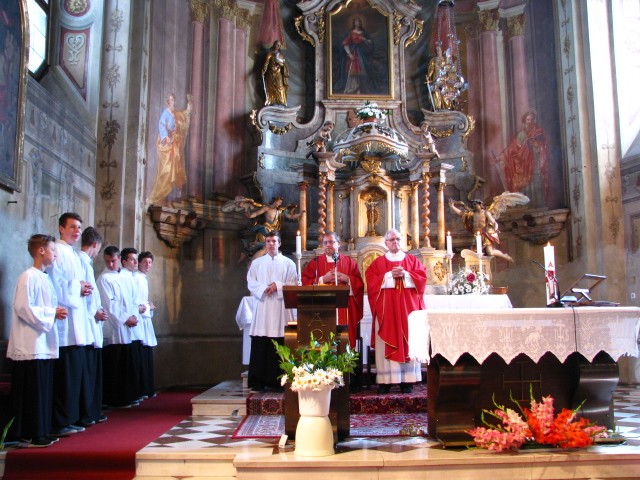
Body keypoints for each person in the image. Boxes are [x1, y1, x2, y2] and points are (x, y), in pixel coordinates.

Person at [7, 234, 68, 447]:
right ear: (41, 250)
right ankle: (29, 433)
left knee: (42, 390)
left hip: (42, 342)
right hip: (30, 344)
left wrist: (54, 312)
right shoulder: (28, 276)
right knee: (32, 391)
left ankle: (41, 430)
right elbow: (23, 307)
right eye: (53, 250)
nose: (56, 254)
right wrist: (52, 313)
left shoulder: (45, 277)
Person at [47, 212, 94, 437]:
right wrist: (78, 287)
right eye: (72, 227)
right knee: (65, 376)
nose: (77, 231)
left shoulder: (73, 254)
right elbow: (56, 284)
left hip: (76, 322)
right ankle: (61, 420)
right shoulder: (58, 251)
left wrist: (82, 288)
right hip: (65, 324)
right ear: (61, 228)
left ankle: (70, 417)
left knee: (73, 375)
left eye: (79, 228)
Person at [365, 228, 427, 394]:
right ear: (386, 243)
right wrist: (388, 276)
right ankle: (386, 380)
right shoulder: (378, 263)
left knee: (409, 340)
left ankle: (407, 380)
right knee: (386, 340)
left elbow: (422, 279)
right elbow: (371, 282)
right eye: (392, 240)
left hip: (408, 310)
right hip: (387, 311)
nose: (395, 242)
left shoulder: (412, 261)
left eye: (398, 239)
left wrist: (406, 274)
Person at [246, 231, 297, 391]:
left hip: (280, 307)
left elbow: (294, 283)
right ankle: (258, 381)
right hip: (263, 307)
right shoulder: (257, 263)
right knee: (261, 344)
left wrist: (277, 286)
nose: (271, 244)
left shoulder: (289, 263)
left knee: (281, 342)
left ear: (279, 243)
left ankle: (281, 381)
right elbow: (251, 282)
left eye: (274, 241)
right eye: (268, 241)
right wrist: (264, 288)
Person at [301, 232, 364, 349]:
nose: (328, 245)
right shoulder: (315, 263)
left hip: (345, 309)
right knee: (323, 341)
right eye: (325, 243)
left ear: (338, 244)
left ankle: (345, 357)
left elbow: (360, 284)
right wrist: (322, 279)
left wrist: (347, 279)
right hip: (322, 309)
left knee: (344, 341)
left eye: (331, 242)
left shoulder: (349, 262)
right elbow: (305, 282)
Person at [97, 246, 141, 408]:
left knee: (126, 363)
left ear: (119, 259)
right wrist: (125, 318)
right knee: (115, 363)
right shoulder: (104, 279)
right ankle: (114, 399)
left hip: (128, 324)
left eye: (113, 261)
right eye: (107, 261)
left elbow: (132, 299)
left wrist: (134, 315)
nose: (110, 264)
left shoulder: (125, 276)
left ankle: (127, 395)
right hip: (114, 326)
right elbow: (109, 305)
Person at [78, 226, 108, 426]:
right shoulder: (81, 262)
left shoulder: (85, 263)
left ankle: (92, 411)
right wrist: (95, 312)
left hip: (90, 323)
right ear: (96, 245)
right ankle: (88, 412)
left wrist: (97, 310)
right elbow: (84, 295)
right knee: (86, 372)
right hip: (85, 324)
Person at [496, 110, 549, 207]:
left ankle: (536, 206)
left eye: (532, 120)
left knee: (535, 186)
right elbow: (512, 148)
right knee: (523, 185)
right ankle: (525, 206)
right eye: (528, 120)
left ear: (534, 121)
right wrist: (501, 157)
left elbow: (543, 147)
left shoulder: (539, 132)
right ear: (524, 121)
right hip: (522, 165)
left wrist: (537, 146)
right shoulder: (521, 134)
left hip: (534, 165)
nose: (530, 122)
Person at [147, 92, 192, 206]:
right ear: (168, 102)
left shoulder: (176, 113)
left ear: (174, 101)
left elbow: (184, 116)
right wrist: (166, 136)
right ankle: (161, 195)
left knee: (177, 168)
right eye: (170, 100)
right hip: (168, 144)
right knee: (167, 169)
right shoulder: (165, 113)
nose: (171, 102)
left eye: (173, 100)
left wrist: (189, 107)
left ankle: (172, 197)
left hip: (175, 144)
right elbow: (161, 125)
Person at [448, 198, 514, 263]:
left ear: (480, 205)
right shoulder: (472, 213)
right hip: (475, 235)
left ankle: (504, 256)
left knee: (490, 252)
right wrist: (452, 206)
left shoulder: (486, 213)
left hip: (484, 234)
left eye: (475, 204)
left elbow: (493, 222)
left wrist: (495, 228)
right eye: (473, 205)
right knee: (474, 253)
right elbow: (461, 213)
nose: (473, 206)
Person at [243, 196, 304, 261]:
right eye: (279, 202)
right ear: (275, 201)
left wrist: (300, 214)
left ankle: (256, 261)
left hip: (274, 231)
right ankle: (253, 261)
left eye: (281, 203)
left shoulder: (280, 211)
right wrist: (250, 215)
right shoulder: (267, 208)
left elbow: (291, 216)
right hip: (265, 230)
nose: (280, 204)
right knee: (265, 248)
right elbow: (256, 213)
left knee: (267, 249)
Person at [135, 251, 157, 399]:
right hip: (140, 320)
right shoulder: (136, 278)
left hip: (145, 319)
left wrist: (149, 305)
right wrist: (148, 306)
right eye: (145, 262)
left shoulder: (143, 278)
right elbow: (137, 302)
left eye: (150, 262)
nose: (148, 265)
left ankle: (147, 388)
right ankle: (143, 389)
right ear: (139, 263)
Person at [340, 17, 374, 94]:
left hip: (362, 53)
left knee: (363, 70)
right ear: (354, 23)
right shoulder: (351, 33)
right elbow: (345, 43)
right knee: (353, 70)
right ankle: (354, 88)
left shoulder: (364, 33)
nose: (357, 23)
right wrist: (349, 54)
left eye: (358, 21)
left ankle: (361, 88)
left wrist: (364, 39)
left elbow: (370, 43)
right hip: (354, 52)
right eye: (356, 21)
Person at [262, 40, 288, 106]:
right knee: (271, 88)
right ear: (274, 44)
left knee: (280, 87)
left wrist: (279, 61)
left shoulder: (281, 55)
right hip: (271, 73)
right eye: (277, 44)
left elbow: (284, 64)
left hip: (278, 73)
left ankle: (281, 101)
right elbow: (266, 63)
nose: (278, 46)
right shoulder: (270, 54)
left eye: (279, 45)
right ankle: (272, 101)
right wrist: (264, 70)